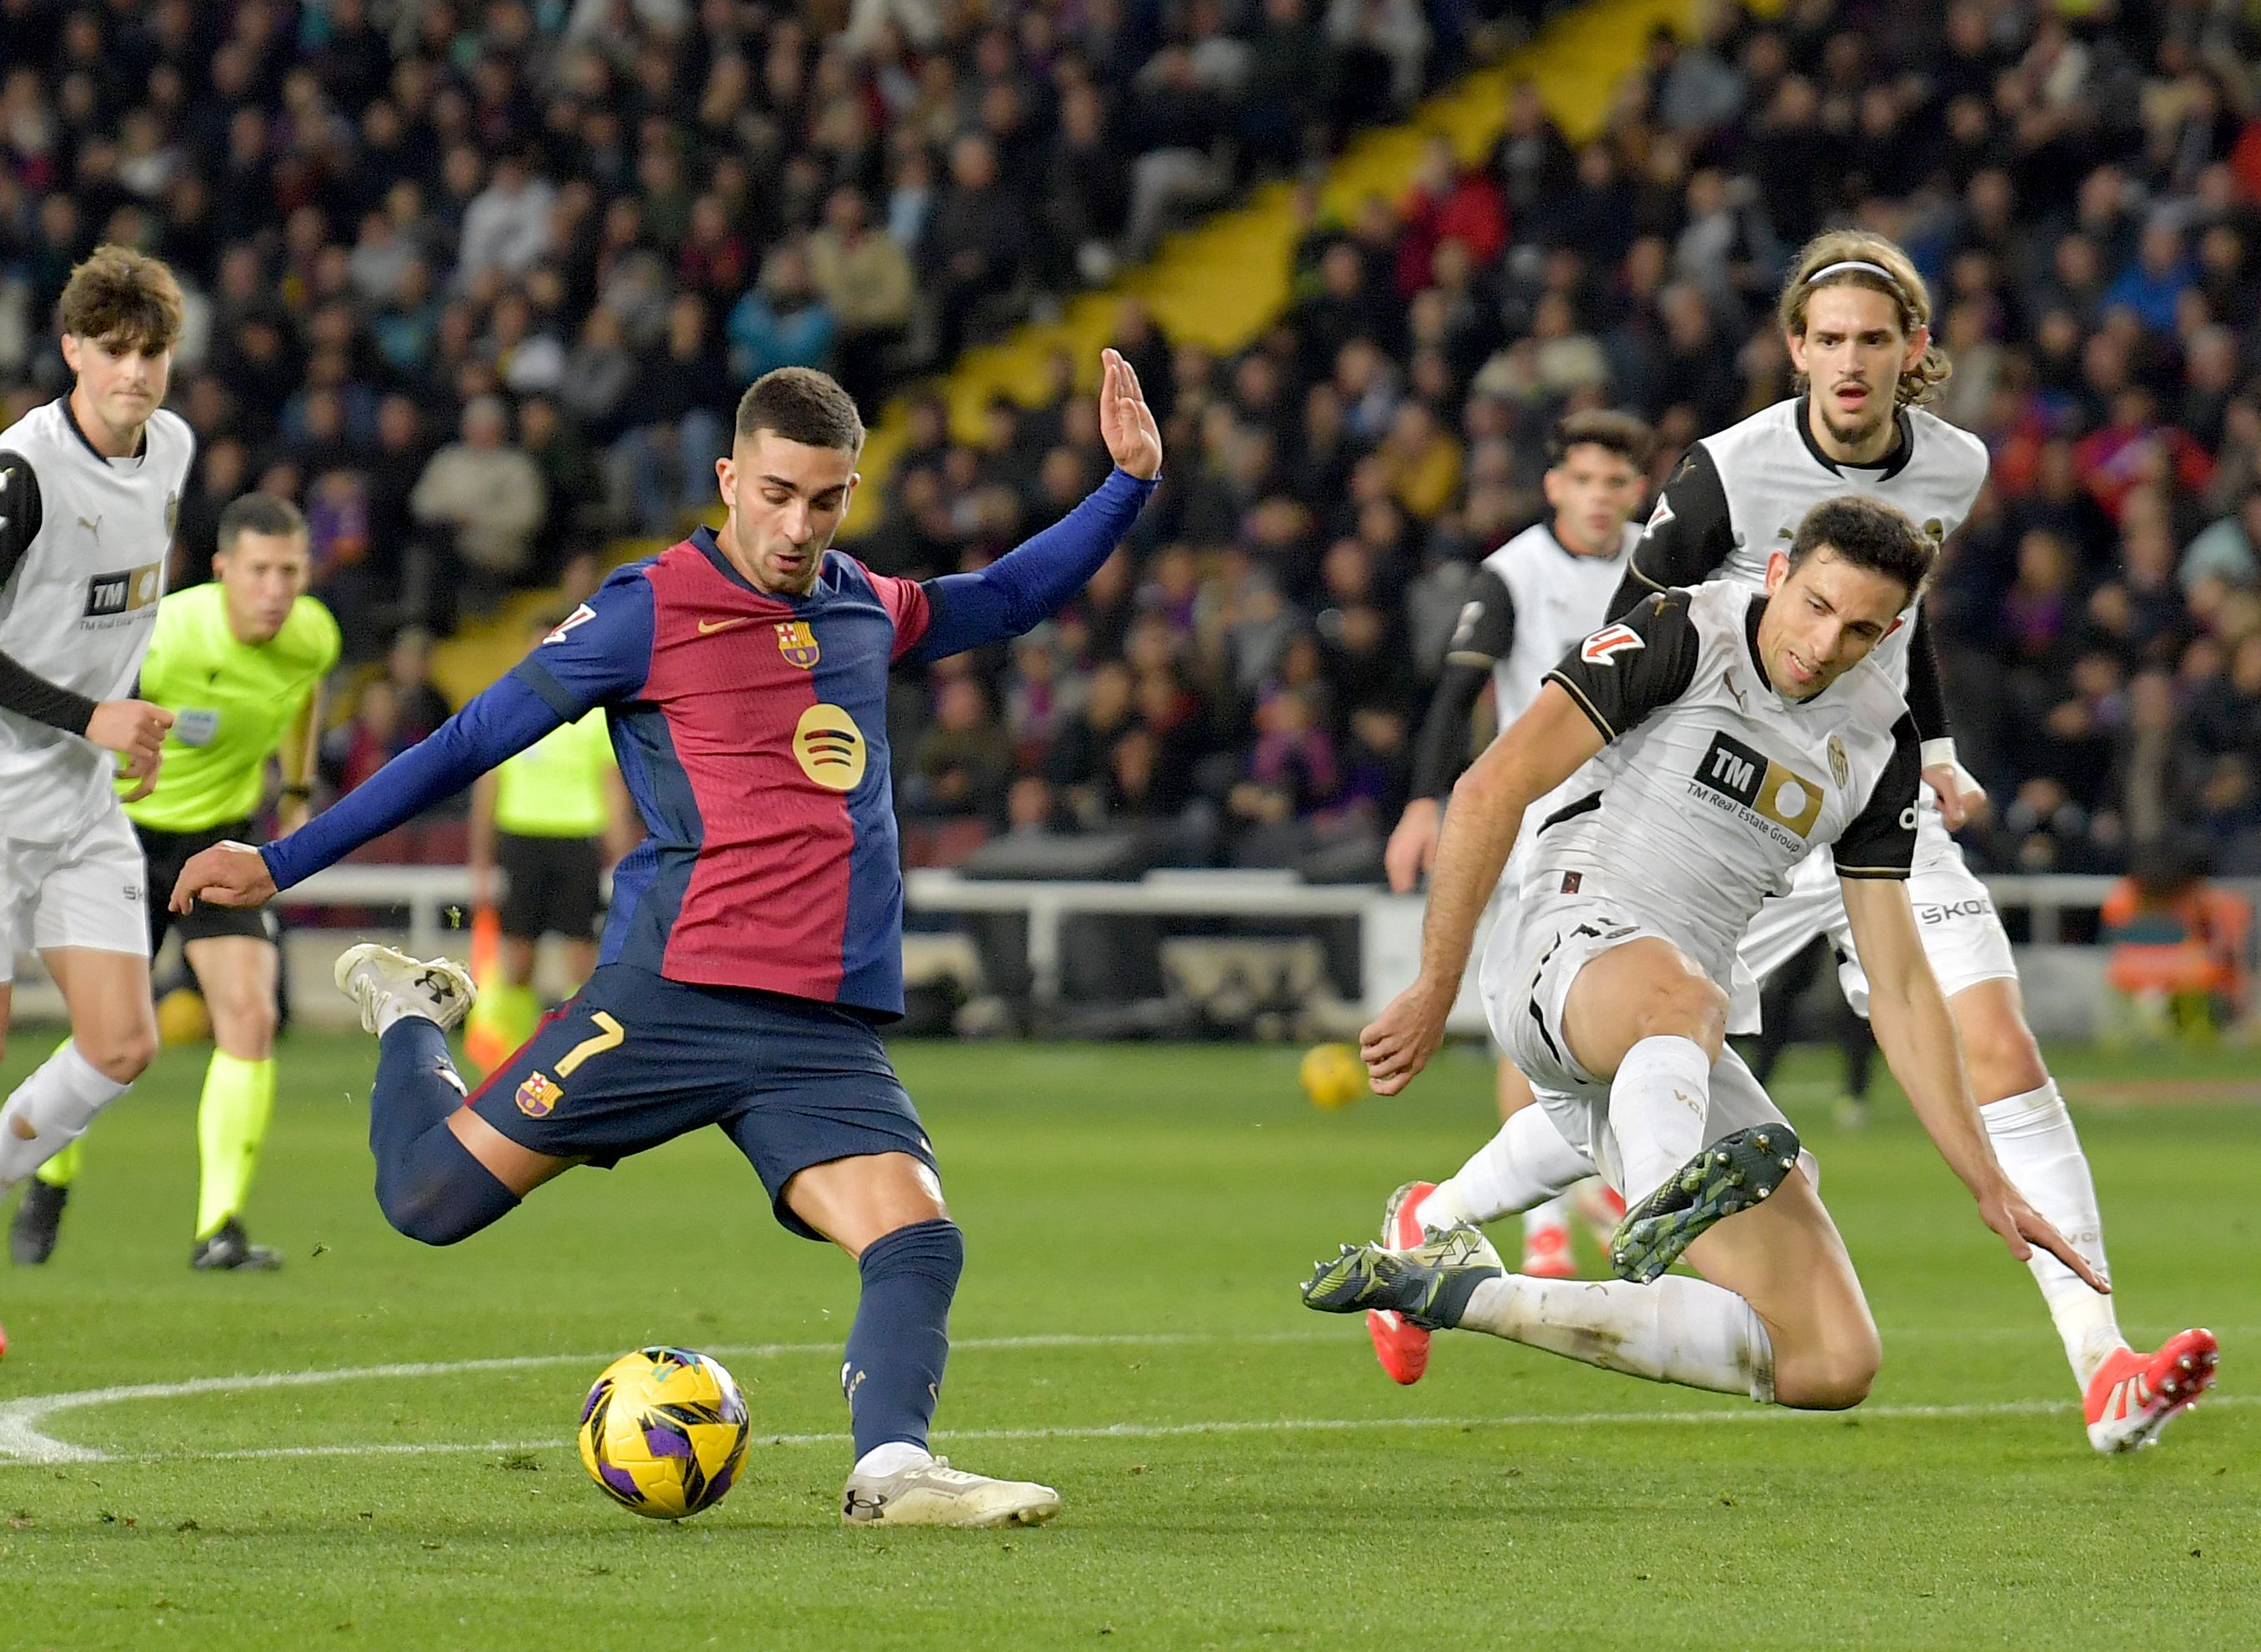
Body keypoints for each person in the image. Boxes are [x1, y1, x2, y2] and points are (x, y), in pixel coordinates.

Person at [169, 357, 1163, 1527]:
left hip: (818, 1023)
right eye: (780, 493)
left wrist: (1126, 484)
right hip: (672, 994)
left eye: (828, 498)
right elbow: (467, 739)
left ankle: (892, 1471)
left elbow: (1003, 598)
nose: (800, 525)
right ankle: (408, 1019)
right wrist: (279, 862)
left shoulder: (861, 604)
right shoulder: (649, 608)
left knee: (917, 1236)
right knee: (427, 1201)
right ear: (732, 477)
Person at [1593, 229, 2215, 1452]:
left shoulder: (1957, 466)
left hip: (1870, 800)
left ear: (1915, 350)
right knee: (1645, 1051)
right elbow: (1630, 636)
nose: (1850, 360)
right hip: (1731, 819)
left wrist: (1927, 748)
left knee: (1994, 1038)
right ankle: (1439, 1216)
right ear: (1795, 350)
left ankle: (2105, 1364)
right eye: (1827, 338)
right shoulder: (1726, 470)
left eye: (1875, 338)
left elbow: (1897, 613)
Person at [1305, 498, 2118, 1428]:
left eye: (1859, 628)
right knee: (1686, 996)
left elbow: (1897, 986)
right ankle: (1659, 1197)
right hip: (1561, 949)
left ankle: (1452, 1287)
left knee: (1832, 1354)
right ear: (1778, 574)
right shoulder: (1682, 628)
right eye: (1814, 604)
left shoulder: (1881, 743)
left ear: (1891, 632)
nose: (1823, 641)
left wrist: (1987, 1179)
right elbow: (1492, 783)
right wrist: (1432, 985)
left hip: (1670, 1044)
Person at [11, 493, 338, 1270]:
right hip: (119, 834)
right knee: (108, 1035)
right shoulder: (168, 633)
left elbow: (305, 696)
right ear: (223, 570)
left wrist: (294, 788)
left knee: (251, 1016)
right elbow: (75, 703)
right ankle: (51, 1178)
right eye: (259, 571)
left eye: (290, 571)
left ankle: (217, 1229)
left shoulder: (313, 637)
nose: (276, 590)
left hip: (217, 840)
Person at [1377, 410, 1652, 1324]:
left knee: (1629, 1006)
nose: (1601, 497)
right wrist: (1426, 801)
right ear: (1555, 487)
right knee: (1529, 1023)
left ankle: (1603, 1182)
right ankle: (1541, 1220)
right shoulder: (1513, 571)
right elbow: (1458, 693)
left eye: (1616, 481)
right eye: (1585, 480)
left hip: (1648, 822)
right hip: (1538, 821)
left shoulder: (1664, 559)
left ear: (1636, 491)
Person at [0, 248, 196, 1281]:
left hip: (79, 802)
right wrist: (92, 716)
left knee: (122, 1044)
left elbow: (111, 609)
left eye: (152, 351)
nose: (135, 371)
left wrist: (129, 729)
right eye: (114, 351)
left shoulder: (172, 449)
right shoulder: (20, 472)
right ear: (72, 348)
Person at [464, 610, 639, 1074]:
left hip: (577, 840)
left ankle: (572, 1057)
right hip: (521, 839)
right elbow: (487, 788)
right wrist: (480, 860)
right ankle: (509, 1059)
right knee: (518, 958)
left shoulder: (592, 716)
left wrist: (622, 857)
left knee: (581, 957)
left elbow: (612, 789)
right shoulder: (507, 711)